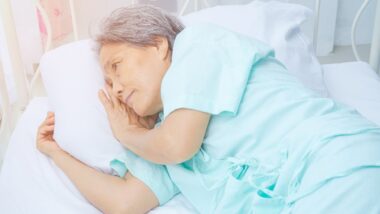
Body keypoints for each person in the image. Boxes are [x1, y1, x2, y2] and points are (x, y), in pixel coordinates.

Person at [37, 4, 380, 214]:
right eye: (108, 84)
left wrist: (127, 132)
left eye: (117, 66)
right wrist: (56, 153)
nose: (116, 88)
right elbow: (125, 203)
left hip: (334, 162)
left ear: (157, 46)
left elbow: (177, 145)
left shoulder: (197, 45)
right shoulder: (156, 136)